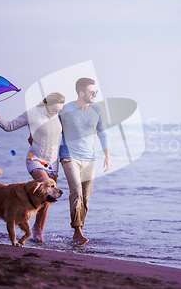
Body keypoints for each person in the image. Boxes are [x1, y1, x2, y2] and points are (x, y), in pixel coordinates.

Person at [0, 92, 65, 241]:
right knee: (46, 192)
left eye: (59, 110)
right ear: (47, 104)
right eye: (54, 109)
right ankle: (34, 230)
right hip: (35, 160)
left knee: (47, 199)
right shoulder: (33, 113)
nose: (57, 112)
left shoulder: (59, 116)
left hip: (53, 165)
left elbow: (67, 134)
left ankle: (36, 228)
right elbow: (9, 126)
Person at [60, 78, 111, 246]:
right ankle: (78, 231)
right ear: (81, 93)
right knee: (76, 192)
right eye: (92, 92)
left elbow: (103, 132)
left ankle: (78, 229)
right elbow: (54, 129)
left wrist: (107, 155)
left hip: (90, 158)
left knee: (86, 198)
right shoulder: (66, 109)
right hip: (69, 156)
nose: (95, 95)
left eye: (95, 92)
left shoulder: (96, 110)